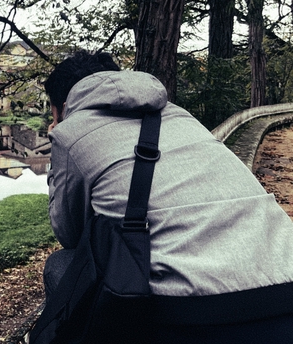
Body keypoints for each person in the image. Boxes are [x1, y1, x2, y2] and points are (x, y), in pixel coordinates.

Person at [43, 50, 293, 343]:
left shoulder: (69, 132)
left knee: (59, 266)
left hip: (197, 316)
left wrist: (56, 145)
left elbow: (69, 232)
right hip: (285, 288)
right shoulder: (180, 115)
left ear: (61, 106)